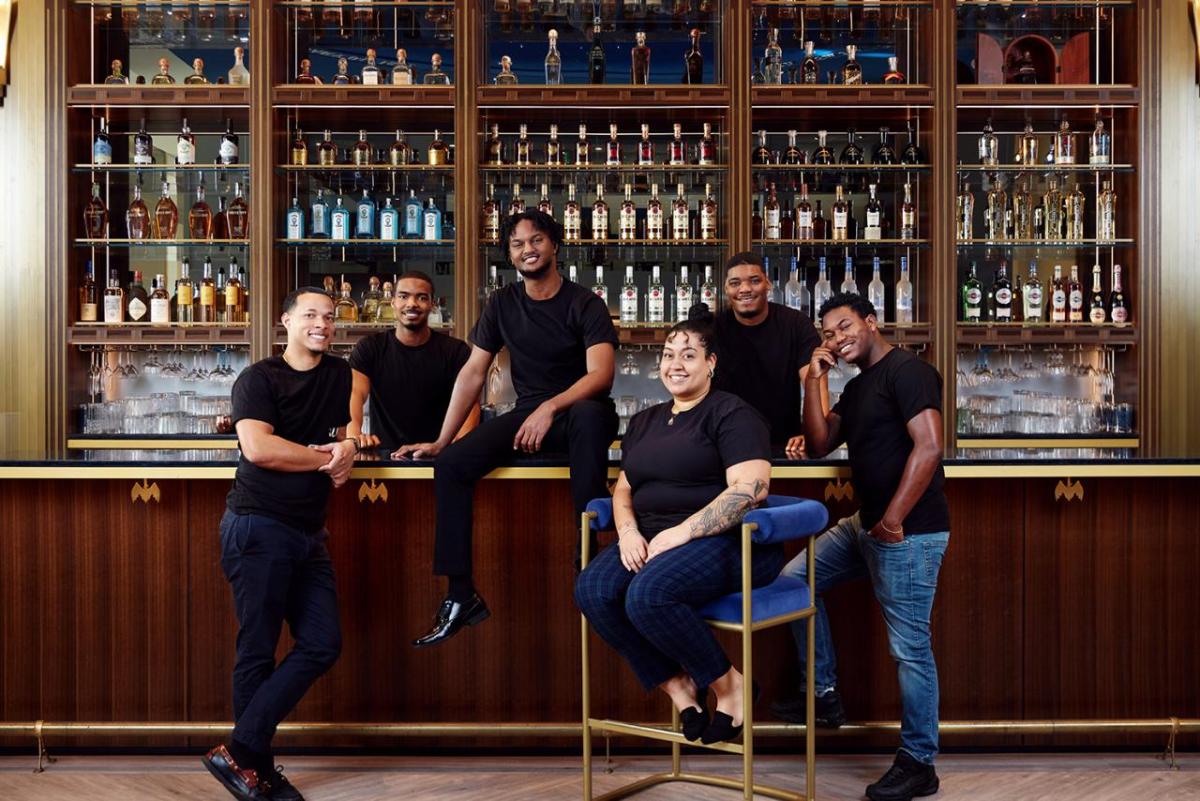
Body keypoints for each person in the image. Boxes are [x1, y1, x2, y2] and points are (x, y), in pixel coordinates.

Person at [399, 210, 619, 648]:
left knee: (591, 417)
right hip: (531, 415)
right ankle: (461, 594)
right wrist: (444, 440)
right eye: (517, 244)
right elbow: (473, 374)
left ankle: (588, 554)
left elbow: (601, 375)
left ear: (555, 245)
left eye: (536, 240)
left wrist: (551, 407)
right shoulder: (502, 303)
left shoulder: (584, 303)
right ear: (510, 256)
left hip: (580, 412)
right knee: (453, 466)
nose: (527, 249)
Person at [773, 292, 950, 801]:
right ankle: (823, 693)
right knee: (794, 581)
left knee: (910, 649)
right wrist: (814, 379)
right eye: (828, 333)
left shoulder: (908, 372)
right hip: (867, 524)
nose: (837, 338)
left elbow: (931, 446)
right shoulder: (859, 383)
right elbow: (822, 439)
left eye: (845, 326)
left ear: (871, 322)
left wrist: (894, 519)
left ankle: (919, 763)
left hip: (909, 531)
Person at [574, 317, 777, 744]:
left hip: (724, 541)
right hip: (652, 536)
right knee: (592, 590)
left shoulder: (732, 413)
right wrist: (628, 533)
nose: (676, 365)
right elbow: (623, 490)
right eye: (669, 356)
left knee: (648, 595)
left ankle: (730, 686)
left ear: (711, 363)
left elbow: (750, 491)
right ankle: (679, 687)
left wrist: (685, 531)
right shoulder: (646, 421)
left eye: (689, 355)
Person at [202, 288, 356, 801]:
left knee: (322, 642)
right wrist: (325, 460)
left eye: (329, 318)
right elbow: (260, 448)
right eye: (310, 315)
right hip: (258, 525)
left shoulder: (339, 375)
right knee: (258, 650)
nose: (322, 324)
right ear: (285, 320)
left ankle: (242, 750)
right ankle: (258, 774)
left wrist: (349, 447)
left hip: (309, 532)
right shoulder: (259, 378)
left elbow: (346, 432)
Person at [696, 252, 822, 456]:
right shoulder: (714, 329)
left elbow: (814, 381)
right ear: (726, 289)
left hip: (785, 446)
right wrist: (692, 332)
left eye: (754, 281)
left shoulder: (796, 324)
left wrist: (813, 434)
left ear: (768, 284)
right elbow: (689, 384)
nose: (745, 289)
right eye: (735, 283)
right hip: (722, 446)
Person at [346, 271, 477, 452]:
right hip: (385, 455)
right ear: (393, 302)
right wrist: (354, 434)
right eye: (403, 296)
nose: (412, 304)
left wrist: (456, 448)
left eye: (422, 298)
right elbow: (354, 392)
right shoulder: (370, 348)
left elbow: (470, 405)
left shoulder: (455, 351)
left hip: (439, 453)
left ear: (432, 304)